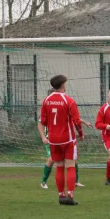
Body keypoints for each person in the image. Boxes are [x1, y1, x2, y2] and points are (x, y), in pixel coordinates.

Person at [38, 75, 82, 206]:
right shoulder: (69, 100)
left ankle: (61, 195)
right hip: (67, 139)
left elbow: (43, 121)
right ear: (63, 85)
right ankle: (70, 196)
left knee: (59, 167)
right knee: (70, 166)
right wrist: (81, 134)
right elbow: (77, 121)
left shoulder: (46, 101)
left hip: (53, 139)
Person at [41, 118, 91, 189]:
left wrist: (85, 122)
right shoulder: (48, 109)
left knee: (73, 158)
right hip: (50, 139)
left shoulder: (63, 109)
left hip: (61, 138)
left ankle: (76, 181)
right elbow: (40, 122)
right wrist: (43, 137)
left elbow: (74, 117)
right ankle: (43, 182)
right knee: (51, 159)